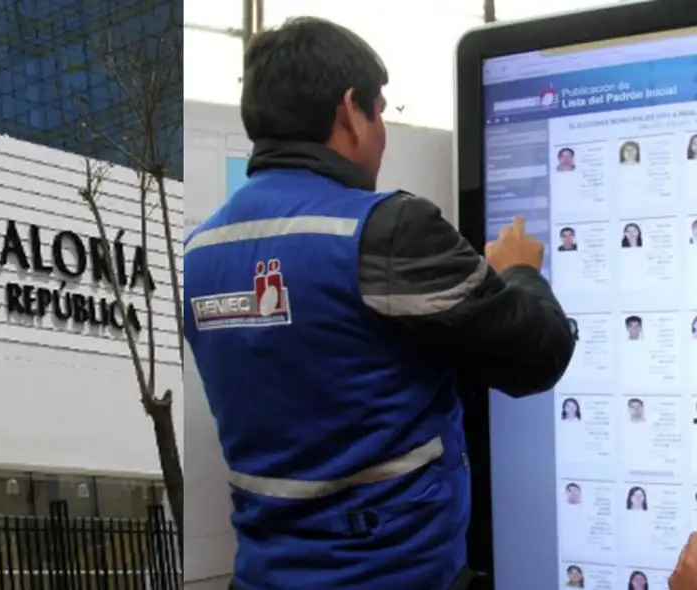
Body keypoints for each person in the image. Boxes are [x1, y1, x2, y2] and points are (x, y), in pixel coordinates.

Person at [182, 17, 576, 590]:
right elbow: (538, 354)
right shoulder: (384, 232)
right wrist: (517, 268)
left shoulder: (199, 255)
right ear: (350, 110)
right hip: (393, 574)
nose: (384, 133)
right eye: (381, 111)